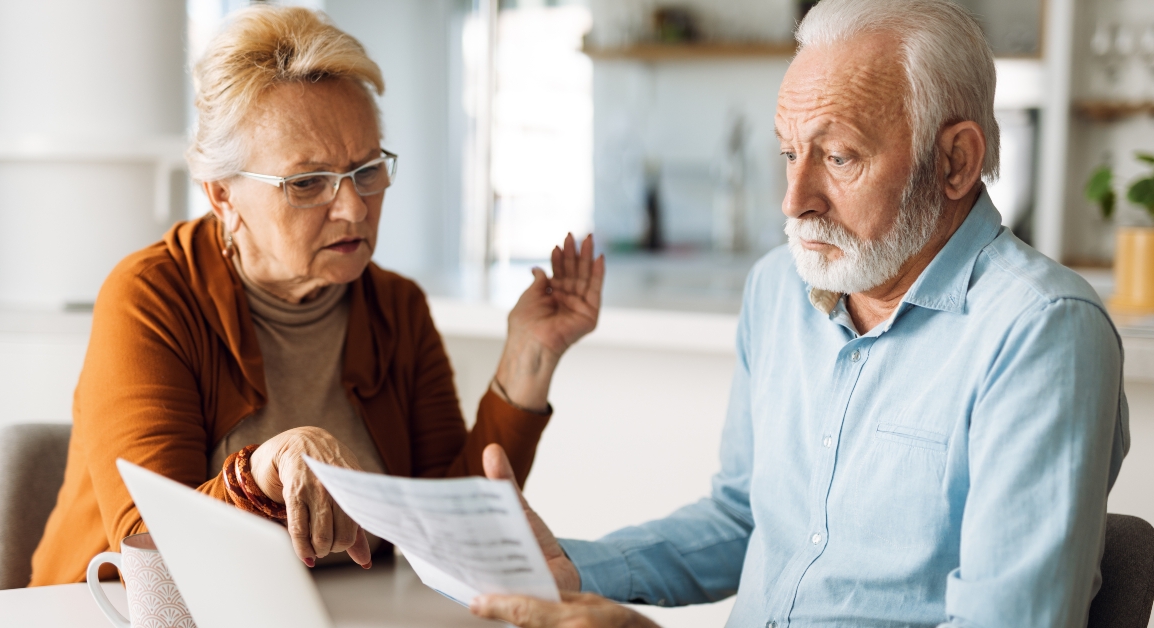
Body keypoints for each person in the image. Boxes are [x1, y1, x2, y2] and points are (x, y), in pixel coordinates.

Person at [469, 0, 1129, 626]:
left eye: (839, 157)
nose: (795, 200)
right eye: (790, 153)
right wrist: (575, 568)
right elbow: (742, 519)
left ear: (955, 162)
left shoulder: (1042, 332)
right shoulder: (777, 291)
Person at [30, 5, 604, 586]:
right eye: (306, 183)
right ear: (222, 196)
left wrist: (529, 358)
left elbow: (454, 529)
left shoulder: (396, 307)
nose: (354, 208)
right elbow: (148, 550)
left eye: (367, 170)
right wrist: (261, 474)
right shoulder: (152, 297)